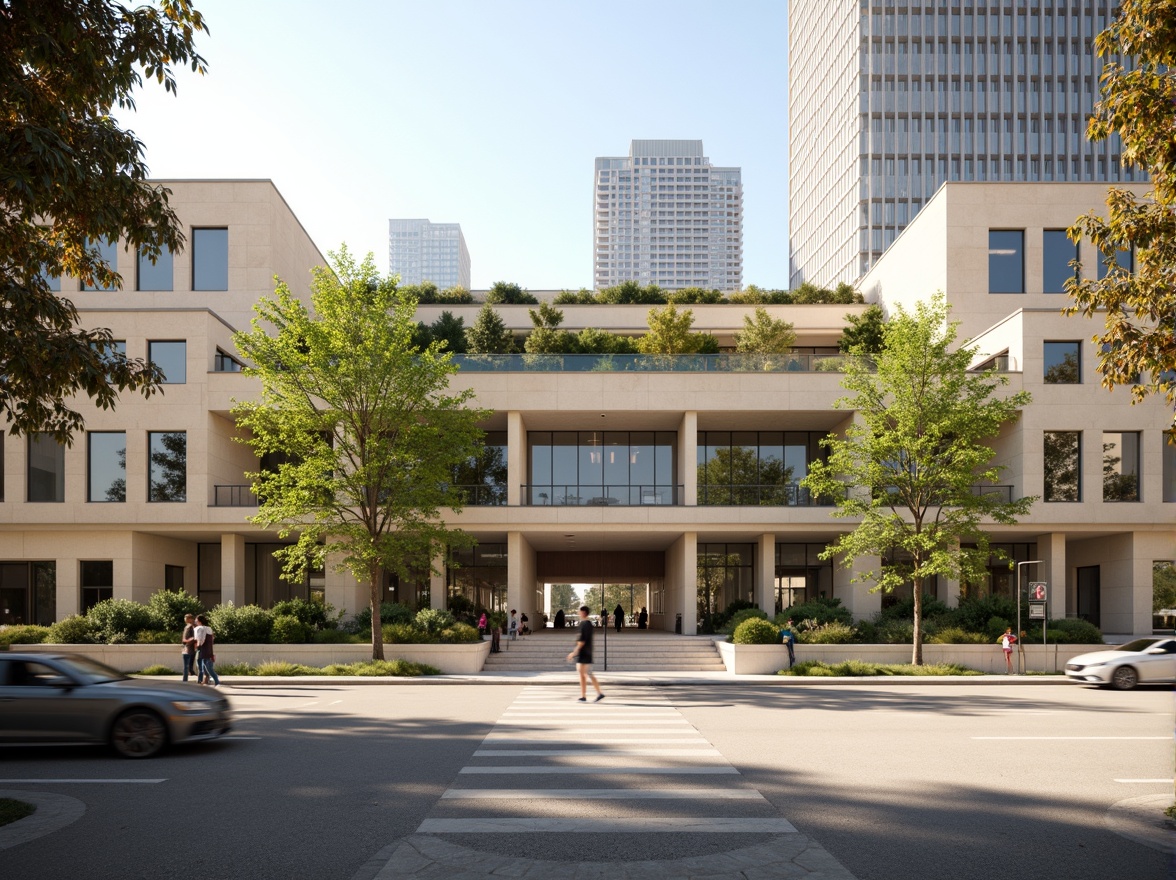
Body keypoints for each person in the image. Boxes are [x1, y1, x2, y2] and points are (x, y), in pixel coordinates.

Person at [566, 605, 604, 702]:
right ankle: (591, 694)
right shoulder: (589, 624)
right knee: (585, 674)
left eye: (579, 612)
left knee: (584, 674)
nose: (578, 613)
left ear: (583, 612)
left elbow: (581, 641)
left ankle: (587, 695)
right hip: (587, 651)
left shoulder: (584, 625)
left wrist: (573, 653)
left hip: (583, 653)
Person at [193, 614, 220, 687]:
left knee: (207, 668)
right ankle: (204, 681)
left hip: (203, 651)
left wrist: (197, 646)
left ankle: (217, 682)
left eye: (196, 619)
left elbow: (200, 640)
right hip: (208, 651)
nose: (195, 621)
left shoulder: (199, 629)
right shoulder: (209, 628)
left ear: (199, 621)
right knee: (204, 668)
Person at [181, 613, 198, 682]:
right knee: (188, 666)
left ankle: (186, 680)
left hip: (190, 648)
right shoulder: (187, 626)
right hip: (187, 647)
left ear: (190, 619)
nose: (185, 620)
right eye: (185, 618)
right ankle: (186, 678)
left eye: (187, 618)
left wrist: (187, 641)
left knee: (188, 666)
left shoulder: (192, 626)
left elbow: (194, 638)